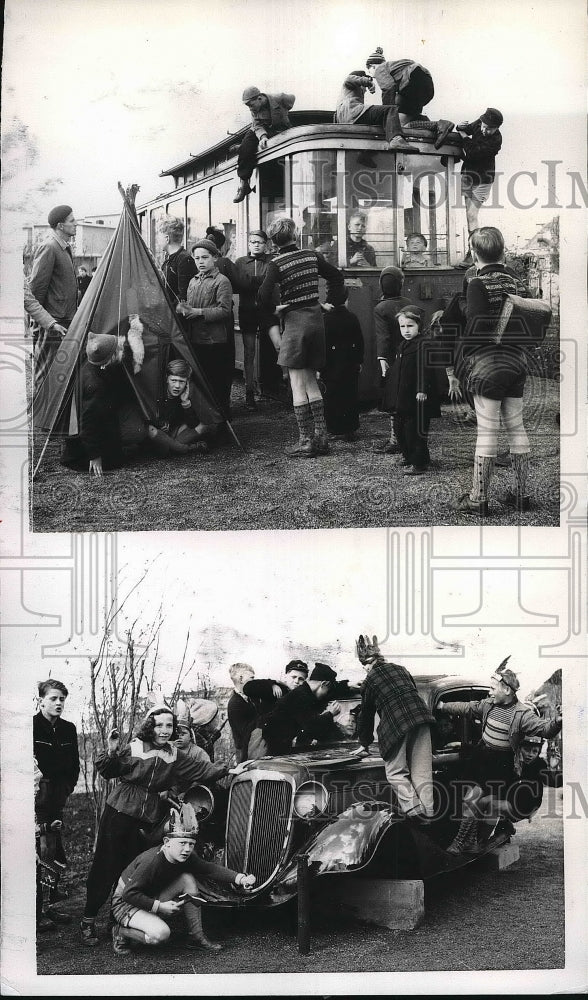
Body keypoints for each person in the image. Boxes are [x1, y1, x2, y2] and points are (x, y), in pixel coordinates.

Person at [80, 704, 234, 947]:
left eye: (169, 725)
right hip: (120, 811)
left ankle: (120, 918)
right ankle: (88, 920)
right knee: (106, 866)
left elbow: (201, 769)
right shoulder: (135, 747)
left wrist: (228, 769)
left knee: (135, 868)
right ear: (150, 726)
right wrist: (110, 751)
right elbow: (109, 771)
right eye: (159, 724)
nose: (164, 730)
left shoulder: (174, 754)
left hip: (148, 818)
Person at [437, 663, 562, 853]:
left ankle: (462, 842)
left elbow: (544, 729)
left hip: (499, 768)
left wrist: (557, 722)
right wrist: (443, 706)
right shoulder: (488, 705)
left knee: (476, 800)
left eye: (493, 688)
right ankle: (469, 840)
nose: (490, 692)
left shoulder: (521, 714)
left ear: (507, 689)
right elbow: (467, 708)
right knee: (469, 800)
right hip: (480, 761)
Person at [451, 227, 533, 515]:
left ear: (474, 253)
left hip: (489, 363)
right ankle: (522, 495)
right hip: (517, 361)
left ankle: (479, 498)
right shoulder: (518, 282)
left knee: (487, 431)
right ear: (502, 251)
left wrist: (464, 356)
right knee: (516, 427)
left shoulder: (478, 283)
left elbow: (475, 327)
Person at [110, 802, 255, 955]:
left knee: (187, 878)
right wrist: (160, 906)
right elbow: (128, 894)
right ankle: (120, 932)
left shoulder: (185, 856)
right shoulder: (152, 861)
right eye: (182, 843)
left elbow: (208, 868)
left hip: (148, 896)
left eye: (191, 844)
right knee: (160, 935)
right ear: (167, 843)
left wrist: (240, 878)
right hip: (125, 903)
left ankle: (196, 938)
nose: (187, 849)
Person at [257, 217, 345, 458]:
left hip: (295, 323)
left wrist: (277, 307)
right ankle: (322, 437)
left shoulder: (276, 263)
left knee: (297, 383)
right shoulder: (312, 256)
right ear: (295, 235)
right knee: (311, 381)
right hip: (316, 320)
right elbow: (337, 277)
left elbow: (263, 296)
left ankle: (305, 441)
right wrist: (330, 303)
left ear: (273, 241)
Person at [351, 635, 434, 821]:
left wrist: (364, 744)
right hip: (422, 719)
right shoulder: (401, 669)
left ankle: (416, 815)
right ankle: (429, 818)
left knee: (396, 773)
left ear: (366, 664)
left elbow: (366, 715)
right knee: (422, 773)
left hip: (396, 725)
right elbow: (410, 693)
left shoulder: (370, 680)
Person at [60, 331, 146, 477]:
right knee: (117, 459)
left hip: (101, 423)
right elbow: (88, 424)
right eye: (117, 351)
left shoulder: (91, 363)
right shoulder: (95, 385)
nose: (121, 351)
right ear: (109, 358)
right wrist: (95, 456)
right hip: (86, 444)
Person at [33, 680, 79, 925]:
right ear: (41, 700)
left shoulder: (68, 729)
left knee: (52, 851)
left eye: (62, 699)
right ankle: (36, 913)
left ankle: (48, 908)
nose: (59, 703)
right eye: (53, 698)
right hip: (34, 797)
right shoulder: (29, 727)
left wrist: (66, 790)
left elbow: (75, 766)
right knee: (36, 852)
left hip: (57, 797)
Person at [380, 306, 440, 475]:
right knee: (400, 429)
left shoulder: (423, 344)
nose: (406, 330)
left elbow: (425, 369)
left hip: (417, 396)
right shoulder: (403, 345)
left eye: (410, 326)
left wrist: (422, 389)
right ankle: (408, 455)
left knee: (415, 430)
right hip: (403, 397)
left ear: (419, 326)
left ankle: (419, 462)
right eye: (402, 326)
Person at [176, 239, 234, 415]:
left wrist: (199, 311)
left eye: (205, 257)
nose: (200, 262)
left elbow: (225, 311)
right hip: (196, 340)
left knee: (217, 385)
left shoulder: (222, 281)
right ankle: (205, 423)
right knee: (200, 384)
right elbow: (189, 306)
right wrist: (183, 309)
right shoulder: (193, 282)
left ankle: (221, 423)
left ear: (215, 257)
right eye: (196, 258)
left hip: (214, 342)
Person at [27, 205, 78, 389]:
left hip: (65, 322)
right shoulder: (49, 247)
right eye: (72, 221)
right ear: (60, 226)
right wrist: (40, 324)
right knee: (44, 374)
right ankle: (41, 414)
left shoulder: (64, 248)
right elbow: (36, 289)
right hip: (52, 324)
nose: (76, 224)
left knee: (60, 375)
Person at [365, 47, 454, 148]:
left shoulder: (380, 69)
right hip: (425, 84)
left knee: (398, 123)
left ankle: (439, 125)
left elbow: (388, 88)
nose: (374, 77)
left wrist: (387, 116)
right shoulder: (394, 66)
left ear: (372, 67)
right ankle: (435, 125)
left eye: (371, 75)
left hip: (413, 81)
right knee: (408, 121)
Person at [247, 663, 341, 759]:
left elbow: (333, 691)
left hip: (277, 741)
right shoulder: (300, 697)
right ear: (324, 684)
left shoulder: (305, 692)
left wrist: (348, 686)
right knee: (265, 771)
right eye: (328, 690)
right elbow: (312, 727)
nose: (327, 694)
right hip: (265, 742)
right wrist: (330, 714)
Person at [234, 230, 281, 409]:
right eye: (252, 242)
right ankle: (249, 393)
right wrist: (261, 281)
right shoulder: (240, 262)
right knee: (249, 352)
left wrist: (249, 282)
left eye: (259, 242)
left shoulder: (272, 261)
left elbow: (250, 283)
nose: (255, 245)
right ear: (248, 244)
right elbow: (239, 284)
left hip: (268, 311)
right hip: (247, 311)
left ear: (266, 244)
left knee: (279, 346)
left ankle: (290, 387)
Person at [372, 266, 413, 454]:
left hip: (391, 360)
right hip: (409, 355)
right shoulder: (408, 303)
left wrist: (382, 360)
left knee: (392, 400)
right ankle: (404, 437)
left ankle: (395, 439)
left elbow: (383, 337)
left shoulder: (380, 307)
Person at [457, 108, 504, 265]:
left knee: (472, 214)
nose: (484, 130)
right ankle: (473, 251)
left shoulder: (496, 141)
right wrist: (460, 127)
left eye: (489, 128)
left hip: (483, 180)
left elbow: (471, 152)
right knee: (468, 215)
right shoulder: (480, 123)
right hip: (467, 175)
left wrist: (463, 136)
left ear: (497, 128)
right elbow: (467, 128)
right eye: (483, 125)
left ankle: (474, 252)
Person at [234, 87, 295, 203]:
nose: (250, 108)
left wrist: (285, 111)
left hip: (279, 129)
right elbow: (257, 126)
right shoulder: (254, 110)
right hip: (261, 129)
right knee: (245, 147)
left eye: (251, 105)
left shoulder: (281, 98)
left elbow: (292, 99)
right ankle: (244, 183)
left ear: (259, 98)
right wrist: (263, 137)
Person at [335, 68, 418, 153]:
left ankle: (365, 155)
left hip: (349, 118)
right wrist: (369, 82)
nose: (365, 90)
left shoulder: (346, 93)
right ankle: (396, 139)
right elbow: (349, 78)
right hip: (353, 112)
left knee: (380, 125)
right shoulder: (349, 83)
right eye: (364, 88)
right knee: (389, 110)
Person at [320, 286, 364, 440]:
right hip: (350, 363)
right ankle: (350, 429)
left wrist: (320, 367)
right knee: (350, 395)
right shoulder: (352, 317)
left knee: (331, 397)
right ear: (346, 299)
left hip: (330, 366)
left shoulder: (325, 319)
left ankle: (333, 429)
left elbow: (322, 345)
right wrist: (359, 361)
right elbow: (359, 341)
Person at [146, 359, 211, 457]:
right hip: (157, 436)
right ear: (167, 378)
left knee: (202, 426)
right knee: (151, 430)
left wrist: (185, 402)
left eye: (181, 382)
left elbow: (193, 425)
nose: (177, 386)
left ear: (187, 383)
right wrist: (159, 424)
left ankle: (173, 447)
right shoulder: (157, 393)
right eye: (173, 380)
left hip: (174, 433)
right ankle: (187, 448)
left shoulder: (185, 396)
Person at [159, 217, 196, 302]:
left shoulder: (184, 259)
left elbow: (184, 295)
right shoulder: (169, 258)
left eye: (159, 236)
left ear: (167, 238)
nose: (157, 240)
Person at [226, 663, 257, 764]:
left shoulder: (249, 698)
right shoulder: (235, 703)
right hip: (246, 753)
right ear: (241, 679)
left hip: (251, 748)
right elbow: (245, 731)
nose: (254, 681)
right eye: (251, 678)